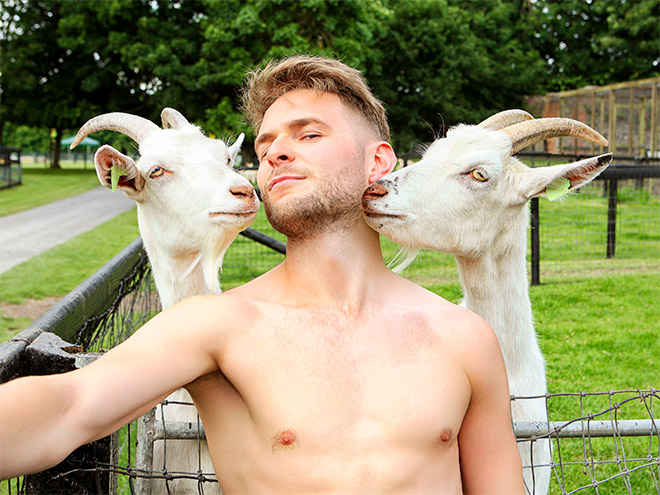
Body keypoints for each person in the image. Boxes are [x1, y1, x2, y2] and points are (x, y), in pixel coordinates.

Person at [0, 55, 524, 493]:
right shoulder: (217, 327)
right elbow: (66, 405)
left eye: (309, 133)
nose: (275, 152)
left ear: (378, 162)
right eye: (265, 143)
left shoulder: (464, 338)